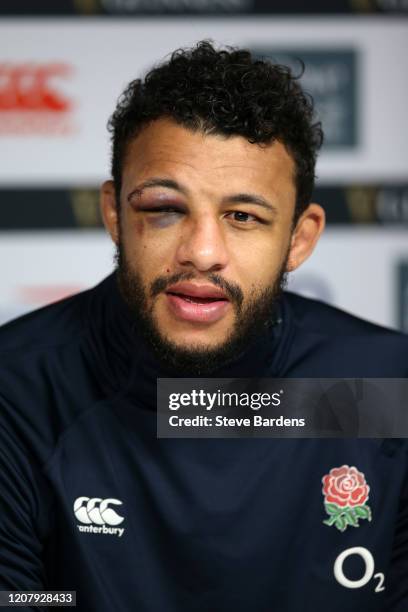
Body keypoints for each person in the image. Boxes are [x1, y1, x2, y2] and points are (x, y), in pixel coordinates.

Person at [0, 40, 407, 612]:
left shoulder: (387, 389)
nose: (202, 253)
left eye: (243, 217)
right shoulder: (16, 391)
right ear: (116, 213)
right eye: (164, 208)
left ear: (299, 238)